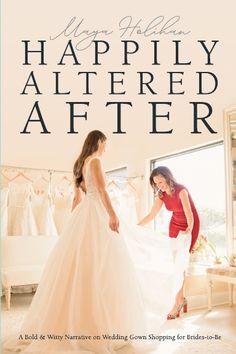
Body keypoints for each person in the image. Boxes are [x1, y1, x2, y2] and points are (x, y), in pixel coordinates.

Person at [138, 166, 200, 320]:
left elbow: (189, 212)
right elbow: (152, 214)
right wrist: (136, 226)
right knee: (177, 264)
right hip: (174, 226)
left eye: (160, 181)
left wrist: (190, 228)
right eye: (156, 183)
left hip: (189, 226)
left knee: (181, 263)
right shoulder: (161, 195)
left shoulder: (181, 190)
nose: (159, 185)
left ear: (167, 177)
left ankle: (177, 302)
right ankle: (181, 298)